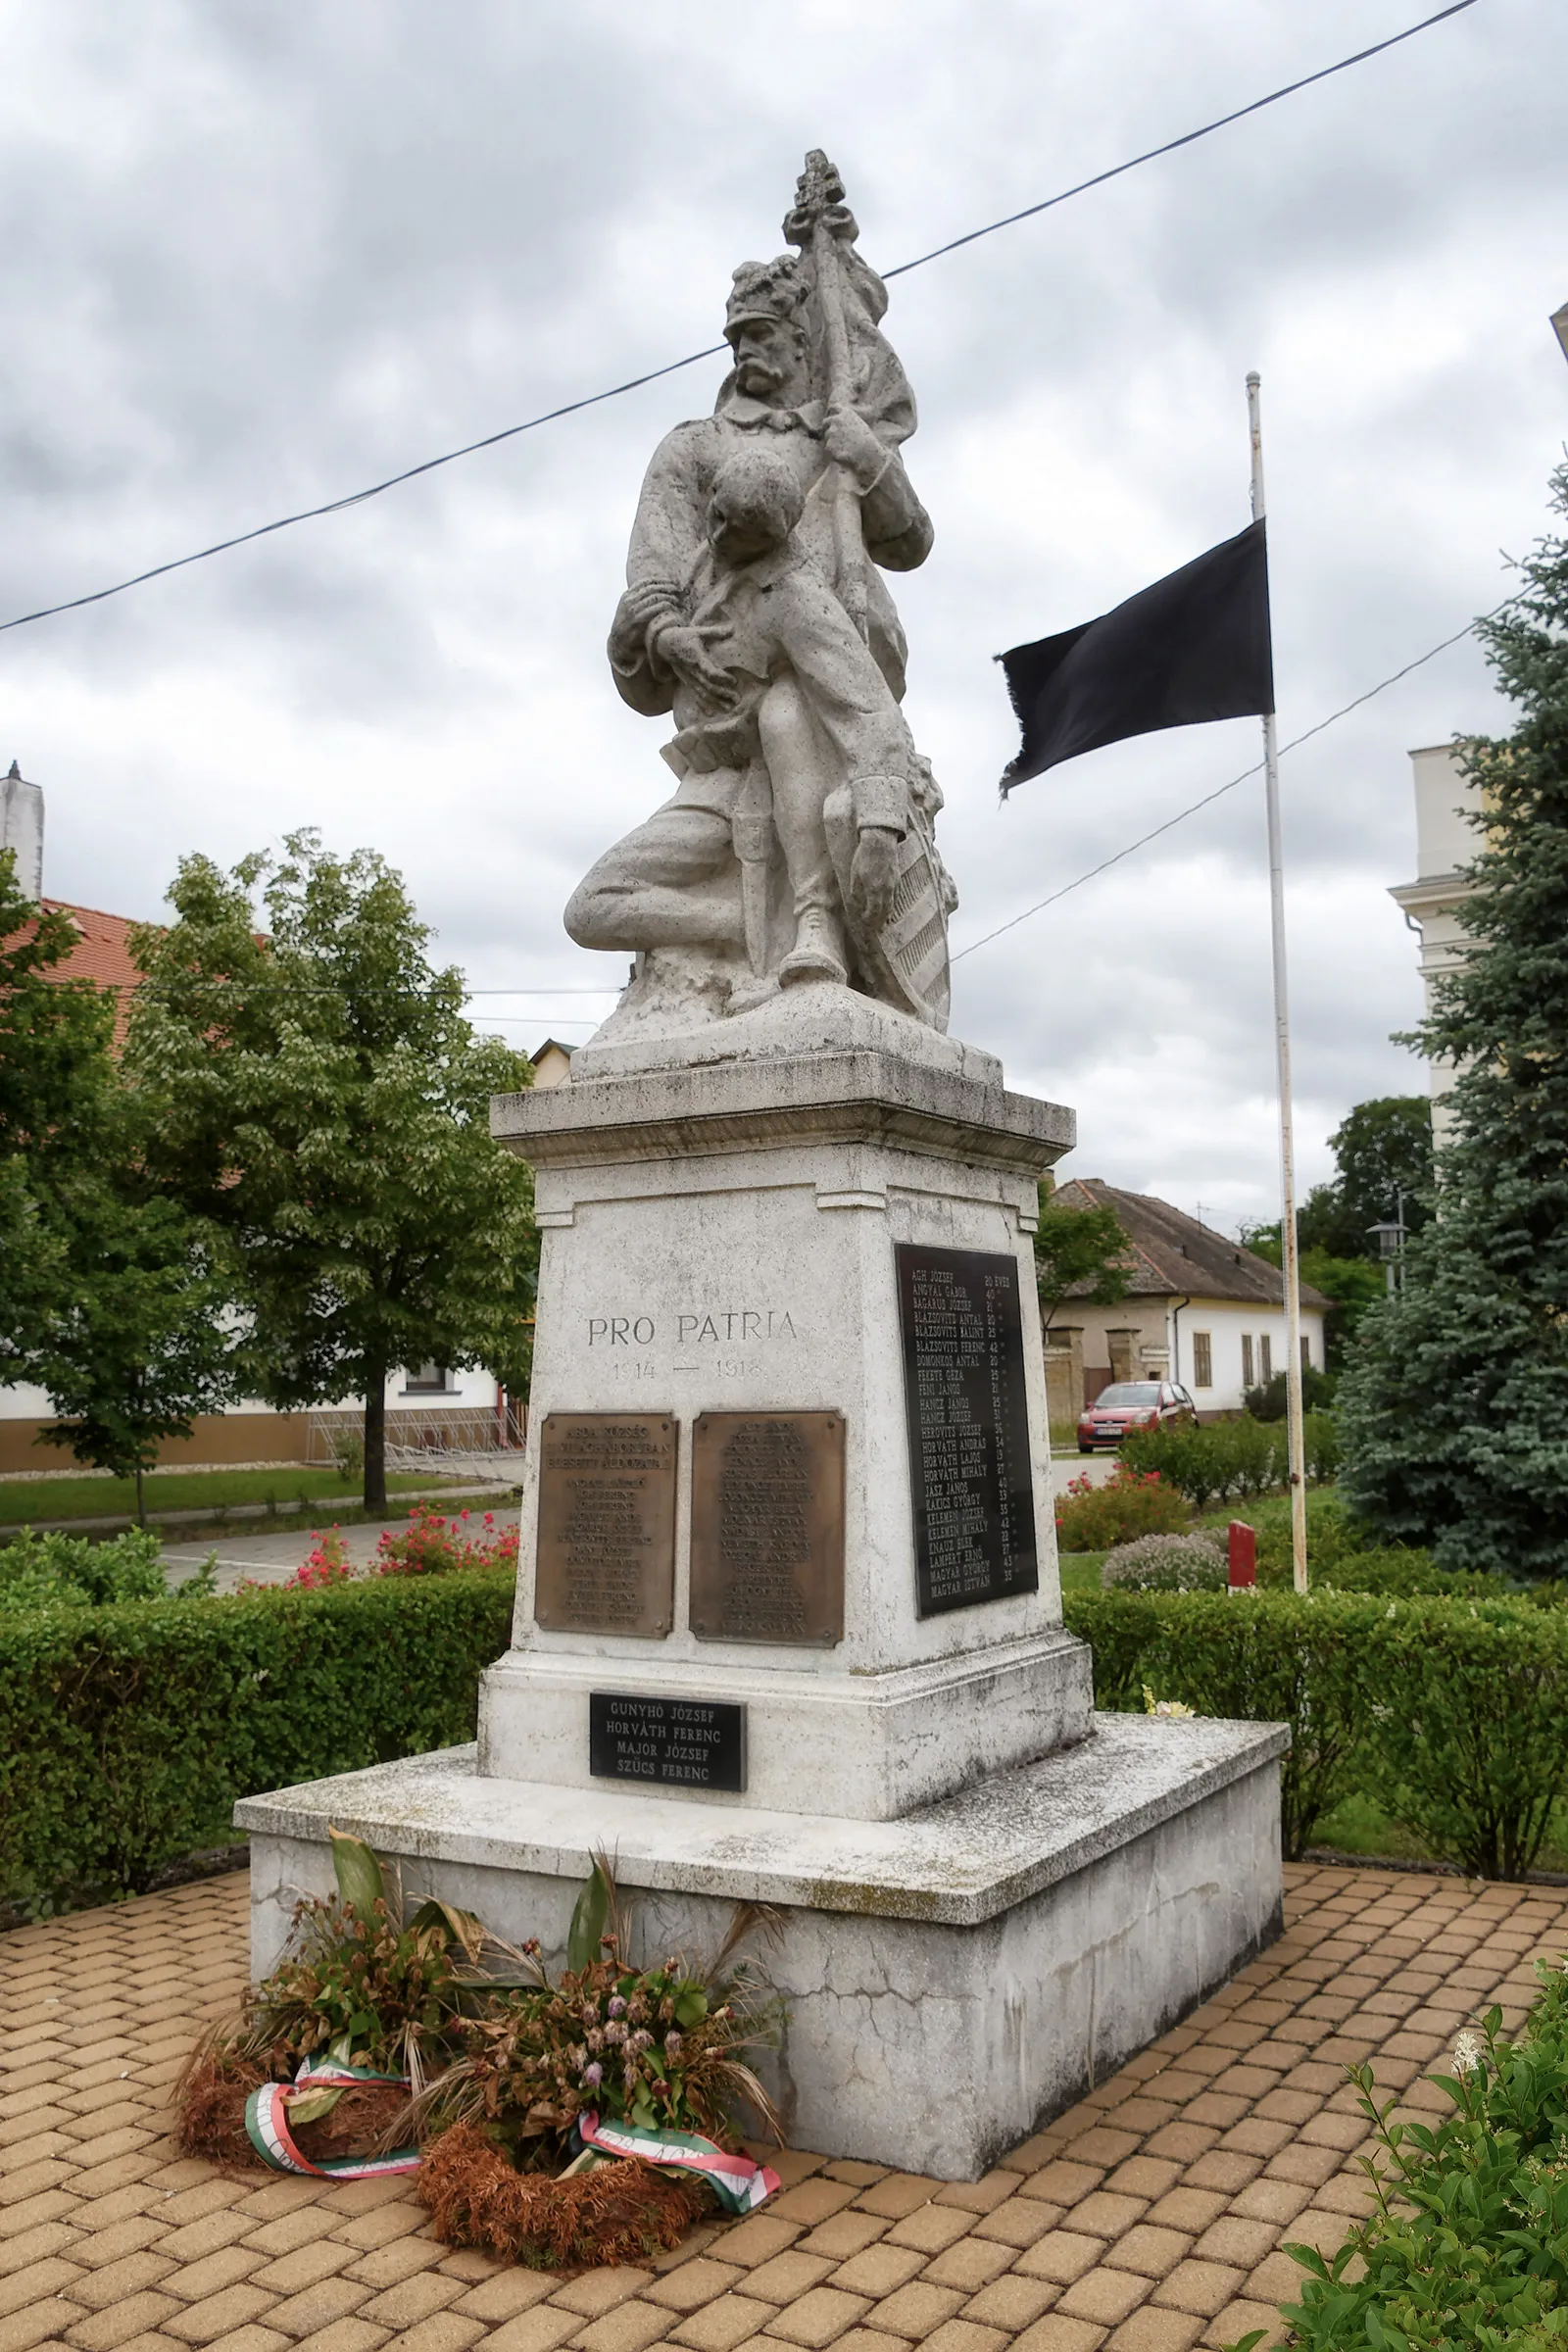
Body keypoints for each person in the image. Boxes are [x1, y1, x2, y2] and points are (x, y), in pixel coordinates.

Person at [564, 244, 940, 1011]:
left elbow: (910, 543)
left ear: (805, 338)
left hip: (829, 686)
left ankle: (811, 922)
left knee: (789, 707)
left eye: (765, 334)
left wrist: (864, 459)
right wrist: (667, 637)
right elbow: (653, 583)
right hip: (722, 739)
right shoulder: (693, 447)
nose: (746, 352)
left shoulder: (835, 436)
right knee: (596, 902)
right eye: (736, 338)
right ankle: (755, 923)